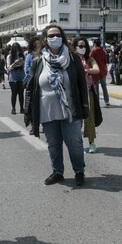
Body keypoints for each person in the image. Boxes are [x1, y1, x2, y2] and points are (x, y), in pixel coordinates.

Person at [23, 25, 89, 186]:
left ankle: (79, 171)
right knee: (53, 143)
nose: (55, 38)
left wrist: (85, 106)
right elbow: (30, 88)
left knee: (74, 142)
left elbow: (81, 84)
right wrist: (28, 111)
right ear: (44, 39)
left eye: (58, 35)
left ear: (63, 37)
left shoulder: (72, 58)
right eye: (51, 35)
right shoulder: (38, 61)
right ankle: (57, 172)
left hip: (69, 109)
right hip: (47, 110)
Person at [73, 37, 100, 153]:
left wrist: (86, 70)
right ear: (75, 47)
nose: (82, 48)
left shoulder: (89, 59)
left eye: (84, 46)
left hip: (87, 92)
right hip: (75, 93)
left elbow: (97, 70)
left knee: (89, 118)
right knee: (76, 120)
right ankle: (77, 144)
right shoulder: (71, 59)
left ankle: (91, 143)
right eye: (80, 46)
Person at [6, 42, 26, 115]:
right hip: (13, 74)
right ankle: (13, 108)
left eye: (18, 48)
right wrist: (15, 63)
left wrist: (22, 62)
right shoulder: (9, 56)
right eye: (15, 49)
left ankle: (21, 108)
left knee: (21, 93)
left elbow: (25, 66)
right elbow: (8, 68)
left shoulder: (22, 56)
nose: (17, 50)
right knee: (14, 93)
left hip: (21, 74)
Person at [90, 38, 110, 106]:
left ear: (94, 44)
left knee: (96, 88)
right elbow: (105, 61)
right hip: (102, 71)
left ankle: (97, 102)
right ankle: (107, 101)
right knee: (104, 87)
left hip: (96, 71)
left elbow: (89, 59)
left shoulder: (93, 51)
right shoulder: (103, 51)